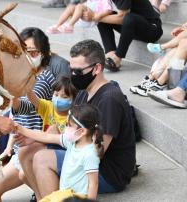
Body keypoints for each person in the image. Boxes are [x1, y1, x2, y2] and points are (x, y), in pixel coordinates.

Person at [18, 40, 136, 200]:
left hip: (108, 171)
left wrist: (55, 142)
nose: (73, 76)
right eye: (71, 70)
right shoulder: (83, 92)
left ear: (97, 68)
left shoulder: (110, 100)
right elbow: (70, 132)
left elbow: (97, 152)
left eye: (78, 72)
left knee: (41, 159)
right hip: (81, 150)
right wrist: (34, 137)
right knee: (27, 152)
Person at [0, 27, 56, 202]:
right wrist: (7, 149)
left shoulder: (45, 78)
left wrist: (7, 87)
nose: (29, 56)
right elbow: (16, 117)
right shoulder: (21, 77)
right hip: (15, 149)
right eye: (24, 52)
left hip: (32, 149)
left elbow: (25, 107)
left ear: (44, 53)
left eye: (34, 51)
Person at [15, 104, 103, 200]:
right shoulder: (71, 142)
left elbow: (93, 183)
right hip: (65, 194)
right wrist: (21, 129)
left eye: (69, 125)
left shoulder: (89, 154)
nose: (66, 128)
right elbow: (46, 137)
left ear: (81, 131)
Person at [84, 0, 163, 71]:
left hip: (151, 30)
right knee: (102, 16)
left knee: (127, 18)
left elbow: (122, 18)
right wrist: (94, 16)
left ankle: (117, 58)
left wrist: (94, 17)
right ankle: (110, 53)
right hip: (132, 27)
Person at [47, 0, 112, 34]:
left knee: (79, 6)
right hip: (83, 17)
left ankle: (70, 25)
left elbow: (109, 10)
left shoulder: (105, 0)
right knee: (71, 7)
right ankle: (57, 26)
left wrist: (97, 16)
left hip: (91, 19)